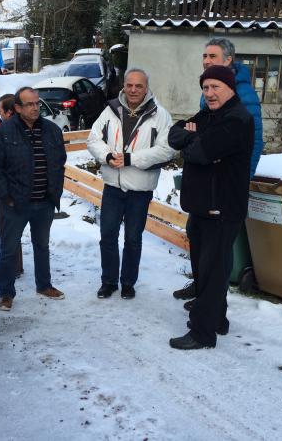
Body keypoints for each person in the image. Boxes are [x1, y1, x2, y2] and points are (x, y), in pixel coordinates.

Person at [167, 65, 254, 350]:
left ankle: (202, 333)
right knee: (206, 270)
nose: (210, 93)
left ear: (230, 88)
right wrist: (193, 137)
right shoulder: (209, 115)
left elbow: (201, 153)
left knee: (212, 271)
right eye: (206, 88)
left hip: (222, 208)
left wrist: (193, 141)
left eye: (216, 87)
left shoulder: (237, 120)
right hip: (202, 207)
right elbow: (173, 135)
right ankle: (217, 319)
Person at [173, 37, 264, 304]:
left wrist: (240, 180)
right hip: (206, 183)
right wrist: (191, 140)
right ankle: (203, 289)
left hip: (224, 188)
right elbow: (192, 132)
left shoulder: (242, 96)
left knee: (217, 252)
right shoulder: (212, 90)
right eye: (204, 56)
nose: (206, 61)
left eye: (212, 56)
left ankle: (210, 299)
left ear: (228, 61)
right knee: (199, 239)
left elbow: (253, 139)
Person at [87, 68, 174, 299]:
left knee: (133, 239)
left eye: (139, 86)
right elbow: (93, 139)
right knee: (107, 236)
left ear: (147, 88)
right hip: (113, 186)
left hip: (139, 189)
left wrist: (130, 159)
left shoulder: (160, 115)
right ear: (123, 85)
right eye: (130, 85)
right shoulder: (110, 110)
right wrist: (106, 155)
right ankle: (108, 281)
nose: (133, 90)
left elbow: (166, 150)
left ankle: (128, 283)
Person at [0, 87, 67, 312]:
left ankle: (44, 285)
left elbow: (60, 162)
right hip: (16, 204)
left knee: (41, 245)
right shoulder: (3, 132)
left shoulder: (51, 130)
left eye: (37, 103)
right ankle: (6, 293)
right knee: (9, 249)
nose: (35, 108)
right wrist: (7, 196)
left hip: (45, 202)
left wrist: (55, 192)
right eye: (29, 104)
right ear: (18, 108)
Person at [0, 94, 24, 281]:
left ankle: (11, 269)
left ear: (9, 112)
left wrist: (3, 189)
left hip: (10, 190)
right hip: (15, 189)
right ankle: (16, 266)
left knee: (8, 230)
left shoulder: (5, 131)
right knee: (12, 230)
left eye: (0, 110)